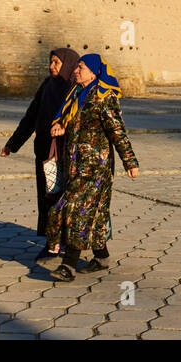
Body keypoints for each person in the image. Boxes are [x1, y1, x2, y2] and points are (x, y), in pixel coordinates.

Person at [47, 53, 139, 282]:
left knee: (73, 210)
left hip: (95, 168)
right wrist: (59, 125)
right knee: (93, 214)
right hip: (75, 164)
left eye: (81, 67)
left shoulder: (103, 98)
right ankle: (101, 257)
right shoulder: (76, 93)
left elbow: (117, 131)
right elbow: (67, 120)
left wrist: (130, 161)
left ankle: (68, 266)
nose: (76, 71)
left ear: (94, 72)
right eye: (77, 67)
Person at [1, 47, 80, 256]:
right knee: (48, 196)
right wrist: (13, 143)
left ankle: (69, 242)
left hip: (68, 153)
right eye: (51, 62)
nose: (51, 67)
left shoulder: (75, 89)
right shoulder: (47, 86)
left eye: (56, 62)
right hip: (46, 153)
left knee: (66, 198)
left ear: (68, 64)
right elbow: (31, 116)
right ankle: (51, 241)